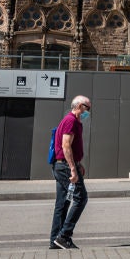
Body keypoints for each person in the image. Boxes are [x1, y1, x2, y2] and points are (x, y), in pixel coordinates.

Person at [50, 95, 91, 249]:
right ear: (80, 106)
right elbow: (66, 145)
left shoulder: (75, 122)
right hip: (66, 167)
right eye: (88, 108)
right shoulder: (71, 121)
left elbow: (71, 147)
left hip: (63, 165)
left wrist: (78, 164)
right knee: (81, 198)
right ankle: (64, 236)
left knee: (63, 203)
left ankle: (55, 240)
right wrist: (73, 168)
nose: (88, 112)